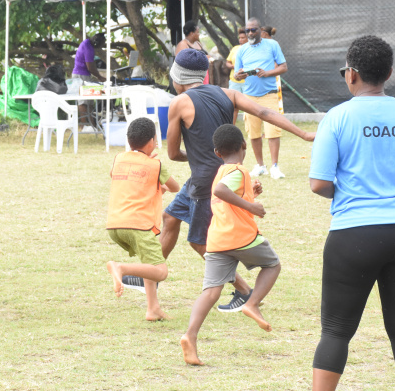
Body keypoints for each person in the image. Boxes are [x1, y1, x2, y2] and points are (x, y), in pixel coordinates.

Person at [123, 49, 314, 312]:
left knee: (200, 242)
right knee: (170, 218)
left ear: (177, 77)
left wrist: (198, 156)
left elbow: (172, 153)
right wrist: (303, 134)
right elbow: (264, 113)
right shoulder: (230, 94)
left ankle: (244, 290)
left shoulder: (179, 103)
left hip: (207, 183)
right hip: (212, 177)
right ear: (204, 75)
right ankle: (150, 276)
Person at [308, 35, 395, 391]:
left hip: (354, 235)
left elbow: (319, 184)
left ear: (350, 74)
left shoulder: (337, 118)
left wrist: (356, 193)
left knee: (336, 331)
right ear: (388, 73)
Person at [180, 124, 281, 365]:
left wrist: (250, 195)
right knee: (273, 265)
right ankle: (252, 304)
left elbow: (225, 197)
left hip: (217, 239)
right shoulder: (238, 169)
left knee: (211, 291)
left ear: (217, 153)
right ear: (244, 145)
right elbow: (221, 191)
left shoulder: (222, 169)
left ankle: (190, 336)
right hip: (241, 237)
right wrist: (251, 206)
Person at [105, 118, 180, 321]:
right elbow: (175, 187)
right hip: (139, 225)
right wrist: (155, 171)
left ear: (129, 142)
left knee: (148, 261)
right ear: (152, 142)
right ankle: (121, 268)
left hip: (114, 225)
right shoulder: (155, 164)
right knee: (160, 270)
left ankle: (152, 308)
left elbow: (127, 181)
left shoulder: (119, 158)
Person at [234, 17, 288, 179]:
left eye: (253, 30)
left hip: (269, 94)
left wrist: (267, 73)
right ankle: (260, 165)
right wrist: (239, 75)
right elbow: (237, 76)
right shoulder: (241, 50)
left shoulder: (272, 45)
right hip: (249, 96)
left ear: (261, 31)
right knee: (253, 133)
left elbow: (284, 67)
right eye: (247, 30)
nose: (250, 33)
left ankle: (275, 166)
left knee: (273, 132)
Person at [225, 29, 248, 124]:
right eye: (240, 38)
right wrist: (233, 66)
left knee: (249, 106)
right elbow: (228, 62)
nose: (240, 40)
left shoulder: (251, 50)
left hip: (247, 82)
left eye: (243, 38)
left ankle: (251, 128)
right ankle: (231, 126)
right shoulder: (235, 49)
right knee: (233, 106)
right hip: (234, 81)